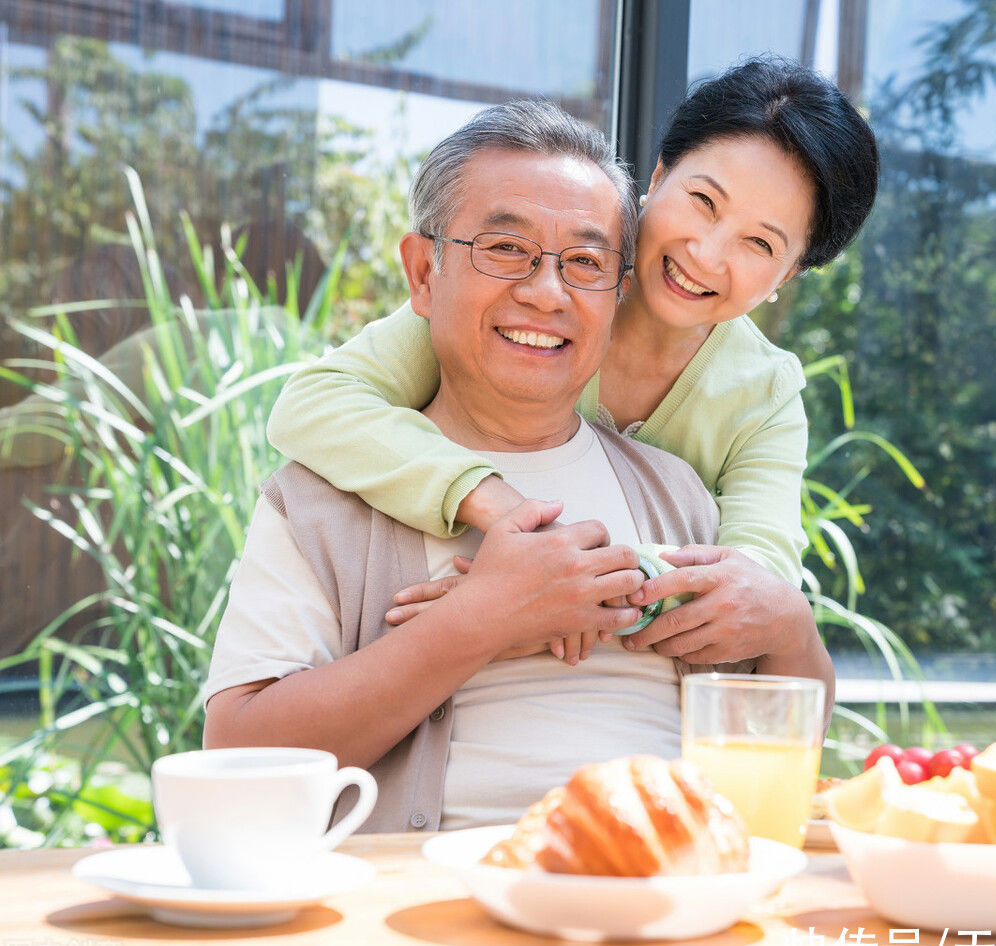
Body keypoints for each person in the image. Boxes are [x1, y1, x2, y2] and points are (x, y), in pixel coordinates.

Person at [202, 101, 830, 833]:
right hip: (417, 916)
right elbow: (235, 761)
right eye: (506, 249)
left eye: (587, 263)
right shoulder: (320, 499)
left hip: (662, 899)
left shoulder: (683, 493)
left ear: (617, 291)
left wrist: (788, 620)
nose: (546, 292)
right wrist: (482, 620)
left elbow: (772, 716)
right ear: (422, 273)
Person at [266, 57, 878, 669]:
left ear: (789, 273)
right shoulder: (530, 302)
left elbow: (753, 589)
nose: (706, 254)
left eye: (760, 243)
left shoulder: (763, 395)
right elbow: (312, 405)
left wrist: (542, 601)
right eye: (702, 201)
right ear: (658, 176)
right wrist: (495, 507)